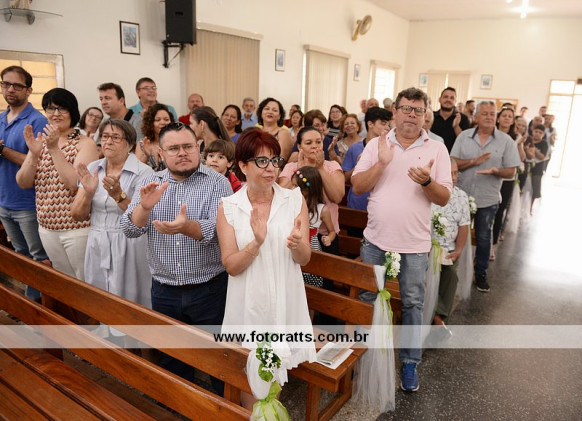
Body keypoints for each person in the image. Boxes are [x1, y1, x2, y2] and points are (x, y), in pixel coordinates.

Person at [352, 87, 452, 392]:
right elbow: (357, 186)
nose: (411, 115)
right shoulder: (376, 144)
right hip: (375, 240)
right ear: (394, 112)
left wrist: (427, 182)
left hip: (414, 244)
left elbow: (443, 197)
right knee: (367, 299)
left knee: (412, 304)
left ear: (425, 115)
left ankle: (409, 362)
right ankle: (363, 357)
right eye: (406, 108)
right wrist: (382, 163)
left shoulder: (437, 149)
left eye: (418, 110)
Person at [121, 122, 232, 389]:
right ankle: (180, 405)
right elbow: (129, 229)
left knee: (218, 360)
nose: (182, 153)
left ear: (199, 147)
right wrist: (144, 209)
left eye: (187, 146)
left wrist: (186, 227)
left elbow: (219, 232)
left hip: (209, 289)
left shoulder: (218, 182)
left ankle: (221, 406)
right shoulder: (150, 183)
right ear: (161, 153)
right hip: (164, 290)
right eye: (173, 148)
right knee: (174, 360)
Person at [216, 128, 315, 407]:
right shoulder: (229, 207)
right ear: (243, 165)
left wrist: (297, 244)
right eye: (261, 161)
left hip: (284, 296)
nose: (271, 168)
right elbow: (231, 266)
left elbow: (304, 259)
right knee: (252, 375)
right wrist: (255, 243)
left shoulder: (293, 199)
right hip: (249, 302)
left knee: (275, 375)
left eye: (275, 160)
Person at [16, 88, 99, 281]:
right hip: (47, 226)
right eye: (50, 108)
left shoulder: (84, 143)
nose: (56, 114)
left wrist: (54, 148)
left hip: (77, 228)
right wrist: (34, 154)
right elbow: (23, 182)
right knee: (64, 281)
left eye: (62, 108)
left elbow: (74, 184)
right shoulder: (42, 141)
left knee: (85, 282)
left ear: (72, 112)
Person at [71, 119, 153, 307]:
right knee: (99, 298)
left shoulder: (143, 172)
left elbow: (140, 217)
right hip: (97, 240)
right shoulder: (93, 168)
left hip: (129, 242)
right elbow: (77, 215)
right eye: (105, 136)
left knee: (130, 301)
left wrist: (119, 196)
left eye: (116, 137)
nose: (108, 141)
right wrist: (88, 193)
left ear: (130, 145)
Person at [450, 100, 521, 293]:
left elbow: (512, 171)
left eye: (492, 113)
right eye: (485, 113)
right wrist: (474, 161)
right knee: (455, 234)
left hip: (487, 198)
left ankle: (480, 273)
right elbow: (453, 162)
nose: (489, 117)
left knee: (483, 237)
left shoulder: (506, 141)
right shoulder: (464, 136)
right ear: (476, 116)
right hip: (462, 197)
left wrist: (497, 171)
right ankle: (450, 270)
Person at [0, 65, 50, 300]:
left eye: (17, 85)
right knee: (20, 253)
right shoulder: (1, 118)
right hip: (4, 200)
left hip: (28, 203)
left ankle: (37, 306)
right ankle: (29, 304)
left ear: (29, 90)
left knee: (39, 258)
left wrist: (3, 150)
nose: (10, 89)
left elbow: (37, 163)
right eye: (5, 84)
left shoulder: (37, 121)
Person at [279, 126, 344, 256]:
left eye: (318, 142)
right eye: (308, 143)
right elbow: (280, 196)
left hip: (325, 235)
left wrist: (320, 168)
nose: (314, 146)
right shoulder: (291, 167)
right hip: (294, 232)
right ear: (299, 146)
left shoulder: (332, 166)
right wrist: (299, 170)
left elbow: (337, 197)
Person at [431, 159, 470, 329]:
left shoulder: (461, 196)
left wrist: (459, 250)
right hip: (425, 250)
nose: (454, 177)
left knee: (451, 276)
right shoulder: (428, 193)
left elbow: (463, 226)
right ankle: (438, 319)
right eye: (449, 173)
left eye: (456, 173)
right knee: (423, 276)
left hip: (449, 250)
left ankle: (440, 320)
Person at [291, 166, 335, 287]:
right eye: (292, 185)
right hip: (294, 247)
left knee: (310, 283)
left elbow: (332, 231)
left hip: (312, 249)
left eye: (296, 186)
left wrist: (329, 238)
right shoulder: (291, 204)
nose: (292, 189)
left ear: (307, 190)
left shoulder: (322, 210)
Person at [491, 107, 526, 258]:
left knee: (499, 211)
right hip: (490, 176)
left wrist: (518, 144)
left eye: (509, 116)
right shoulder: (491, 134)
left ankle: (492, 245)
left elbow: (522, 158)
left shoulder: (516, 137)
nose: (506, 118)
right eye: (504, 115)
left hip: (507, 179)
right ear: (498, 118)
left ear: (512, 121)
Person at [342, 107, 392, 212]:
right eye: (383, 123)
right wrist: (358, 165)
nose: (387, 128)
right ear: (370, 124)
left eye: (388, 124)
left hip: (380, 206)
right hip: (357, 204)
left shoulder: (390, 148)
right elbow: (345, 178)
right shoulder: (355, 148)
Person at [136, 103, 174, 171]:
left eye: (166, 119)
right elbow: (137, 169)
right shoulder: (142, 144)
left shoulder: (176, 142)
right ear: (150, 123)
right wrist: (146, 155)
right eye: (158, 120)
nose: (163, 122)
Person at [431, 87, 471, 152]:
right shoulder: (431, 117)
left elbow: (466, 142)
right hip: (432, 154)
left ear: (455, 101)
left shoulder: (463, 118)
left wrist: (456, 127)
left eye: (452, 98)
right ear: (439, 99)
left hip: (454, 156)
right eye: (445, 97)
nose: (448, 100)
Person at [256, 97, 293, 162]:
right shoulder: (256, 131)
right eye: (267, 109)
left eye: (274, 110)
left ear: (279, 116)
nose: (270, 112)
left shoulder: (283, 133)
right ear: (261, 113)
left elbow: (281, 160)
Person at [524, 124, 549, 214]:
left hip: (537, 170)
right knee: (523, 188)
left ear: (543, 134)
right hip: (526, 167)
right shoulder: (528, 140)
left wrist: (534, 149)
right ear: (532, 131)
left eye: (540, 133)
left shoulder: (544, 143)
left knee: (534, 190)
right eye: (536, 131)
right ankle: (522, 206)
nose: (537, 134)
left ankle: (530, 208)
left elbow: (542, 157)